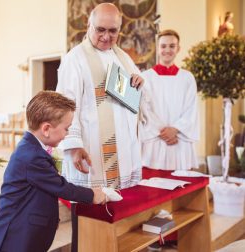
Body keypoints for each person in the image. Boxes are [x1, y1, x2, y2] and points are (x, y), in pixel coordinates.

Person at [56, 3, 144, 251]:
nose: (106, 37)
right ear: (88, 26)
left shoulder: (123, 58)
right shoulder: (75, 59)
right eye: (100, 29)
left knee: (120, 223)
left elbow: (135, 103)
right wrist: (73, 146)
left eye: (113, 31)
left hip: (122, 154)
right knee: (87, 225)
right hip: (91, 154)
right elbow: (64, 106)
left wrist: (139, 84)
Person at [0, 91, 106, 252]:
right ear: (46, 129)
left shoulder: (33, 148)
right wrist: (93, 195)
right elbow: (61, 187)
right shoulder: (31, 156)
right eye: (66, 129)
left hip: (25, 233)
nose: (66, 135)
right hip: (17, 236)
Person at [140, 29, 199, 172]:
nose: (167, 50)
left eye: (172, 46)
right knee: (152, 187)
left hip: (179, 140)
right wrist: (164, 132)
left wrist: (175, 130)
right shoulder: (145, 77)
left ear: (178, 48)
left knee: (181, 187)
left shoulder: (187, 78)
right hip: (154, 140)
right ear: (158, 48)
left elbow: (191, 109)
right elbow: (143, 110)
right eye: (163, 46)